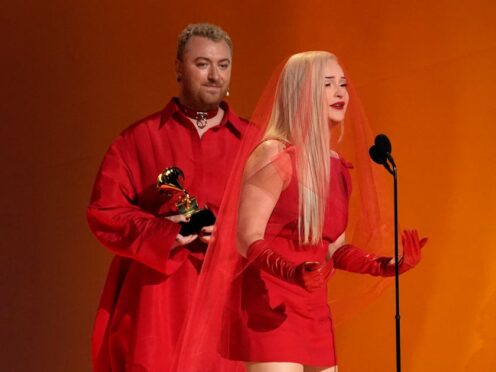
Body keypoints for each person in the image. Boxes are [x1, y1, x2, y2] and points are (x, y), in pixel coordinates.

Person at [172, 51, 427, 372]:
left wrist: (384, 265)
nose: (340, 93)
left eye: (343, 84)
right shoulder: (273, 154)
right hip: (270, 303)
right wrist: (289, 270)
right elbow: (245, 236)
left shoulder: (337, 167)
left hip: (312, 305)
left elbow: (334, 247)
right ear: (301, 93)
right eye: (328, 84)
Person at [86, 23, 248, 371]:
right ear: (178, 67)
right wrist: (163, 231)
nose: (214, 75)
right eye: (202, 63)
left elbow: (282, 218)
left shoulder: (255, 141)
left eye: (223, 64)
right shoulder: (138, 139)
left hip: (228, 297)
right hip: (157, 300)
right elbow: (104, 211)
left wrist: (233, 232)